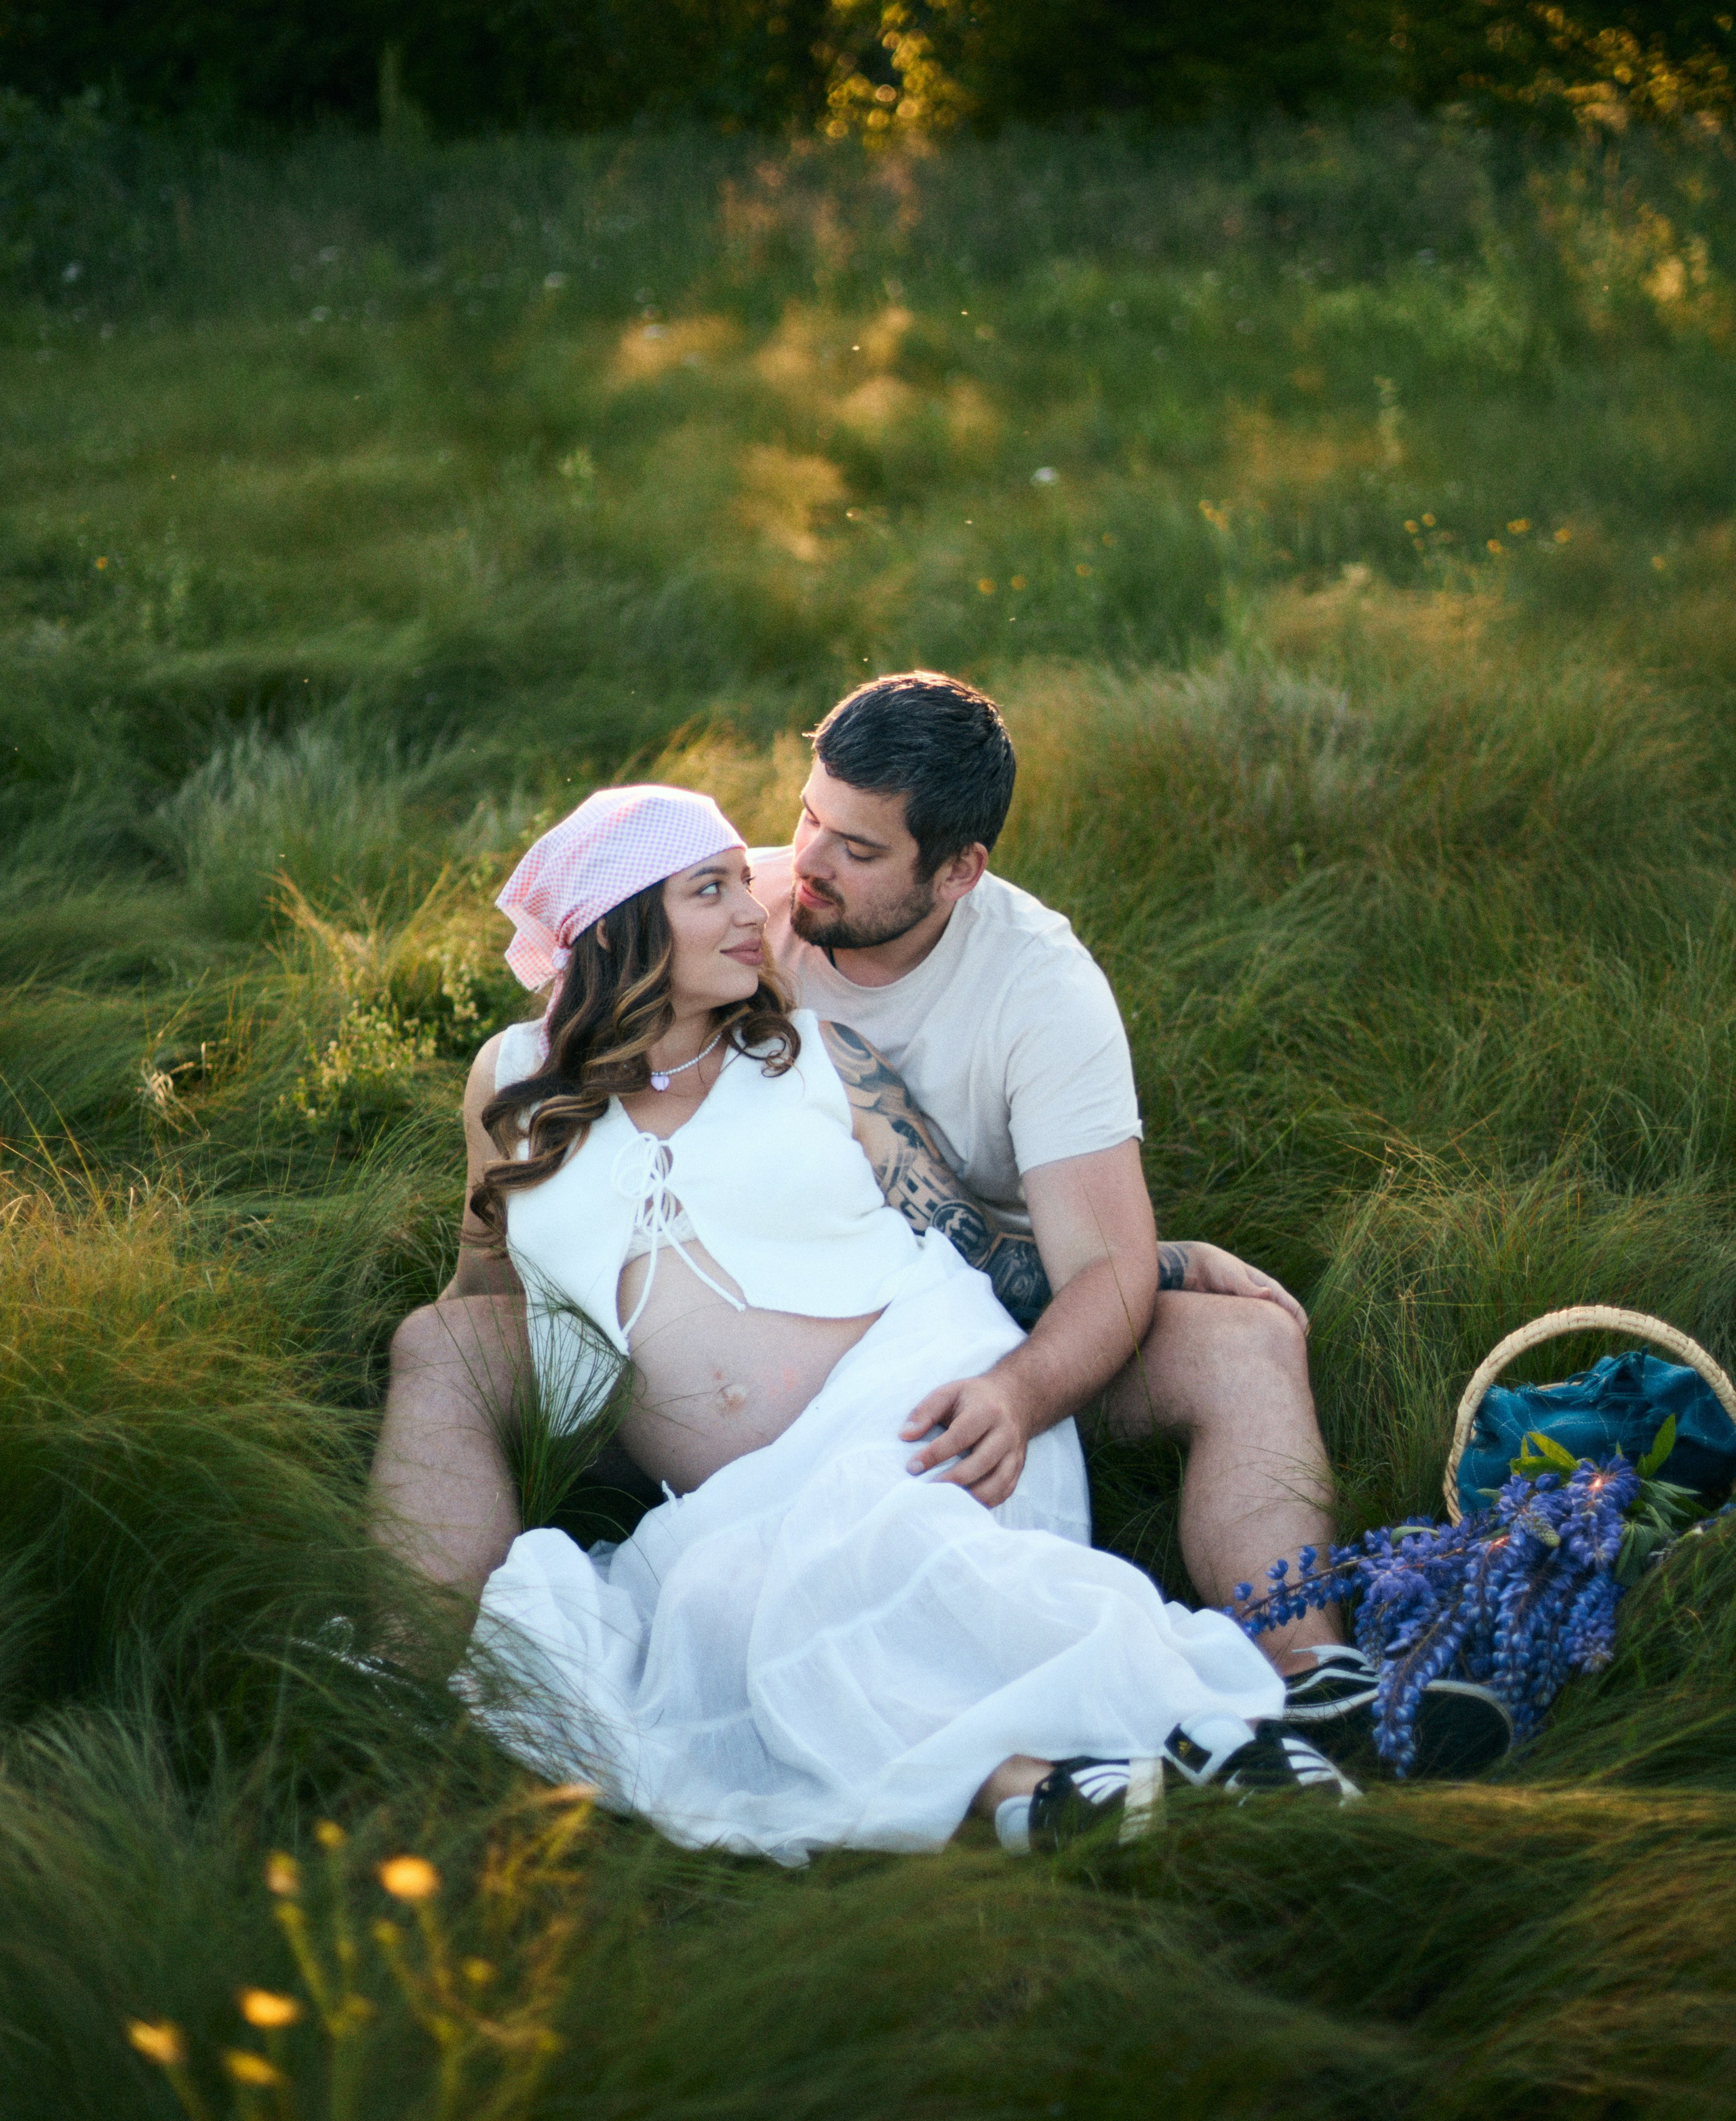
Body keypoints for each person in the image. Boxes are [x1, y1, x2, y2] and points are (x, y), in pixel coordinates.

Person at [372, 673, 1510, 1781]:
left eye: (858, 850)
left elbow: (1066, 1270)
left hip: (965, 1310)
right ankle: (393, 1675)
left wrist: (1038, 1372)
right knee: (445, 1343)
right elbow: (596, 979)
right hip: (669, 1350)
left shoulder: (1037, 989)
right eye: (807, 819)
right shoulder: (742, 906)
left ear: (958, 869)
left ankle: (1313, 1677)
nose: (802, 872)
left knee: (1242, 1343)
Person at [448, 782, 1360, 1858]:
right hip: (734, 1496)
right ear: (618, 929)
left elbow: (973, 1244)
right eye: (715, 889)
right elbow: (484, 1287)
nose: (756, 908)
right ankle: (1042, 1786)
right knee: (729, 1612)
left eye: (744, 883)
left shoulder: (815, 1055)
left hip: (914, 1388)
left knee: (878, 1540)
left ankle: (1253, 1712)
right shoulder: (513, 1083)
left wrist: (1162, 1264)